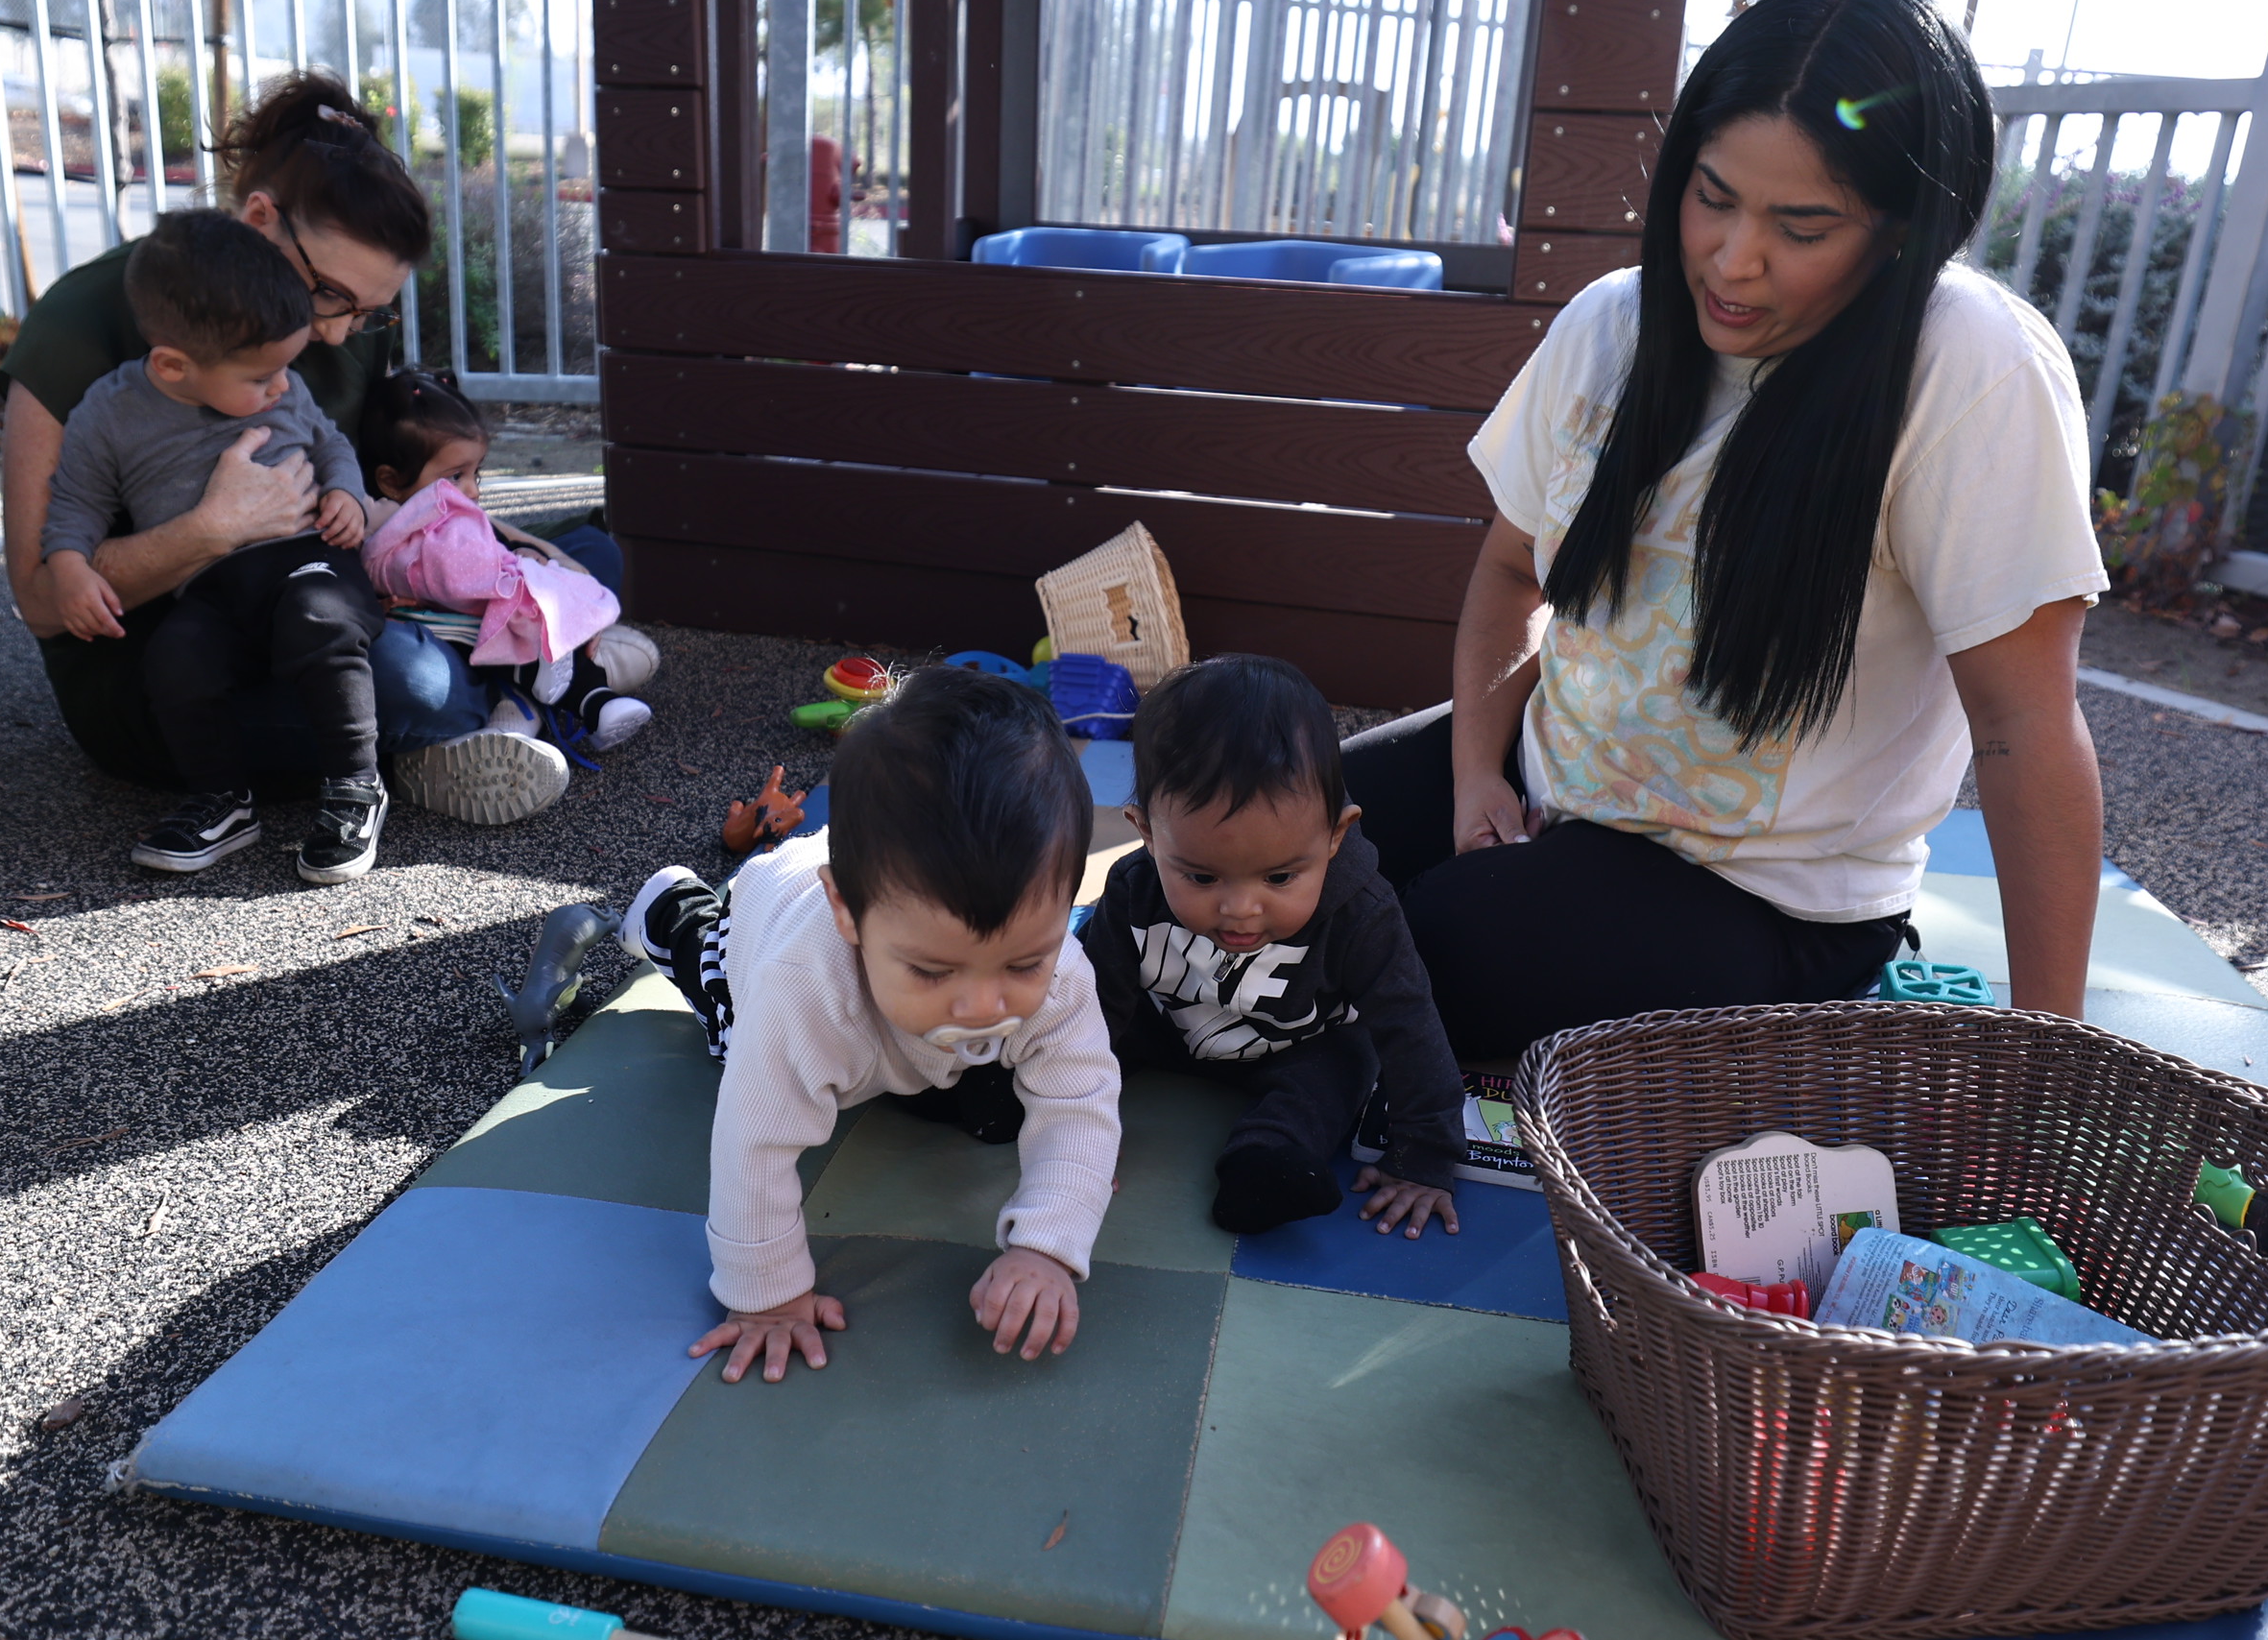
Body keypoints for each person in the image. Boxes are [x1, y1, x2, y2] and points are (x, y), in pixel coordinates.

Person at [1341, 0, 2109, 1059]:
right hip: (1546, 777)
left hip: (1762, 896)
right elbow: (1514, 575)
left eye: (1802, 225)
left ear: (1901, 229)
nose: (1734, 260)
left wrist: (2051, 1058)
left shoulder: (1967, 368)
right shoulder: (1616, 323)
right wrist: (1475, 772)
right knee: (1246, 840)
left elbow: (2024, 727)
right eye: (1712, 197)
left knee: (1410, 956)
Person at [0, 72, 566, 827]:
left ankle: (469, 715)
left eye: (367, 313)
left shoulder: (336, 321)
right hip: (172, 669)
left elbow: (367, 493)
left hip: (315, 609)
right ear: (260, 218)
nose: (337, 332)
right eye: (332, 297)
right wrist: (211, 529)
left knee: (570, 558)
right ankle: (474, 719)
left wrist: (499, 545)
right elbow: (41, 600)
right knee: (411, 683)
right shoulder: (84, 318)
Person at [597, 664, 1122, 1383]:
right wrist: (769, 1296)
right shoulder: (801, 988)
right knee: (724, 1022)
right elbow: (752, 1147)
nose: (981, 1006)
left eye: (1021, 965)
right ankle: (671, 910)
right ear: (849, 913)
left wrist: (1048, 1244)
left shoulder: (1057, 966)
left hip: (853, 892)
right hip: (762, 921)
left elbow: (1080, 1101)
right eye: (934, 973)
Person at [40, 211, 386, 882]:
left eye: (287, 369)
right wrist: (69, 566)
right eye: (262, 379)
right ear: (173, 365)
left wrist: (346, 491)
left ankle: (354, 786)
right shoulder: (106, 415)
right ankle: (222, 800)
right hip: (211, 585)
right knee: (175, 657)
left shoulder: (280, 377)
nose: (283, 387)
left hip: (306, 557)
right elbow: (76, 504)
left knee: (320, 617)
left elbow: (328, 441)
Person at [1083, 656, 1469, 1238]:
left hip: (1299, 1044)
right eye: (1203, 877)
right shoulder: (1131, 891)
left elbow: (1410, 1026)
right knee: (1068, 1040)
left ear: (1335, 835)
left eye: (1280, 878)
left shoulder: (1362, 913)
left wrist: (1426, 1156)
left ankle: (1265, 1163)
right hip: (1166, 1026)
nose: (1241, 908)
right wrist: (1075, 1122)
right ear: (1146, 832)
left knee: (1339, 1072)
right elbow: (1092, 1003)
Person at [350, 370, 659, 753]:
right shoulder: (370, 520)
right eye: (457, 477)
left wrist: (541, 565)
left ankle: (533, 697)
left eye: (475, 473)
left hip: (502, 614)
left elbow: (496, 541)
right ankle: (542, 697)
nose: (474, 490)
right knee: (414, 670)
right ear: (391, 482)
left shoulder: (450, 515)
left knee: (596, 549)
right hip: (443, 638)